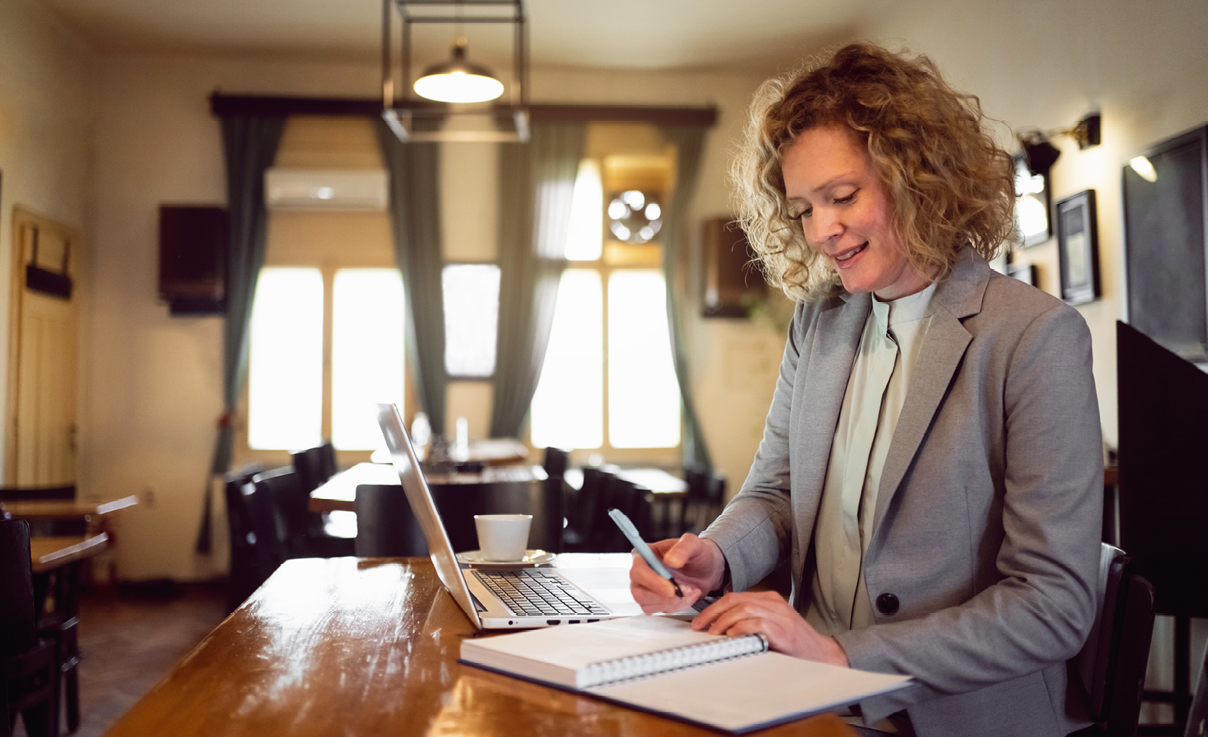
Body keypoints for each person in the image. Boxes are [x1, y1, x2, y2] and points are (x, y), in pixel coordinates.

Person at [629, 42, 1103, 737]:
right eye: (802, 209)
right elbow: (776, 492)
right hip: (810, 703)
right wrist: (716, 554)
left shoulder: (1035, 336)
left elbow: (1051, 603)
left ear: (921, 177)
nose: (822, 231)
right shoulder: (820, 324)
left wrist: (840, 653)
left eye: (843, 196)